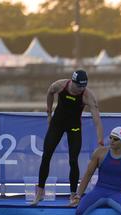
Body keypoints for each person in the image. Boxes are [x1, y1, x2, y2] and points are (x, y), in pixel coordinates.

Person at [31, 70, 104, 207]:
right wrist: (49, 112)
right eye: (79, 87)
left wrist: (100, 139)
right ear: (72, 82)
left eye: (83, 87)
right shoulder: (60, 85)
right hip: (57, 124)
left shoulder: (88, 95)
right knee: (46, 156)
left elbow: (97, 120)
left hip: (74, 127)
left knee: (73, 160)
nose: (81, 89)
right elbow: (50, 92)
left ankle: (72, 195)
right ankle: (40, 193)